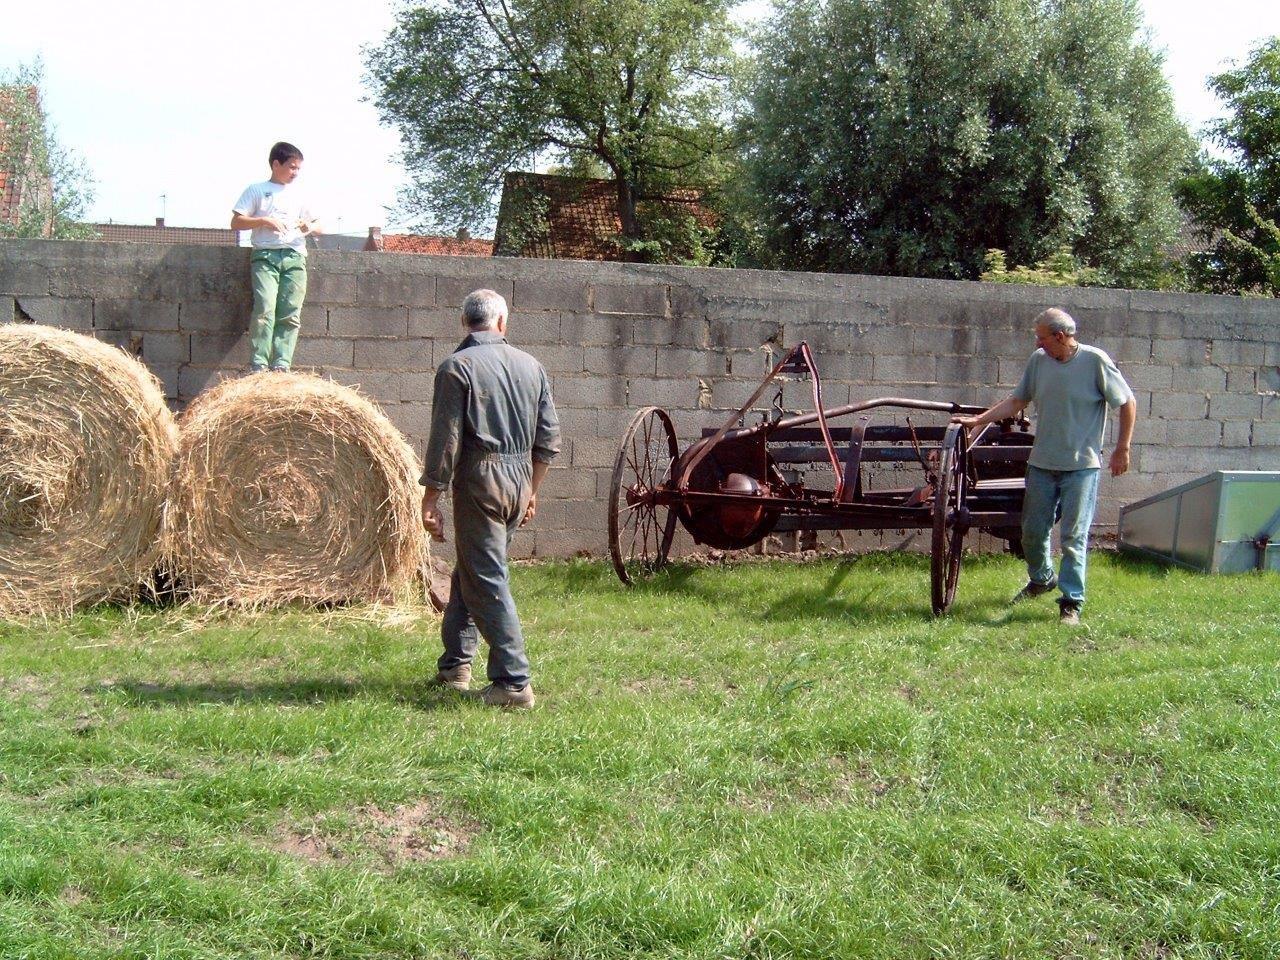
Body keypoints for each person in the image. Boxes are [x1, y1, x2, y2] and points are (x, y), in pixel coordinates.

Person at [421, 289, 560, 708]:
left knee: (486, 578)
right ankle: (455, 665)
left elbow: (445, 442)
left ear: (465, 323)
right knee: (475, 570)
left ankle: (513, 683)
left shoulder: (456, 368)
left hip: (481, 480)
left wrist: (431, 497)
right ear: (502, 323)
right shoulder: (532, 366)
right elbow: (549, 440)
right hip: (519, 480)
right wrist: (532, 491)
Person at [953, 308, 1136, 624]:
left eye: (1041, 337)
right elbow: (1017, 401)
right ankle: (1041, 579)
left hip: (1081, 467)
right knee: (1033, 532)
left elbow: (1127, 402)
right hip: (1041, 464)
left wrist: (1123, 448)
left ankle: (1071, 603)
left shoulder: (1095, 362)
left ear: (1060, 337)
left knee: (1073, 538)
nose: (1037, 343)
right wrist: (979, 420)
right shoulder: (1038, 362)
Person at [230, 142, 321, 373]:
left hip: (295, 255)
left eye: (298, 169)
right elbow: (236, 222)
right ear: (275, 164)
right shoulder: (257, 190)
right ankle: (259, 363)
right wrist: (263, 221)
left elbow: (320, 227)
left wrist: (307, 226)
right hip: (265, 255)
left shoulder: (302, 194)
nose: (295, 173)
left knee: (290, 310)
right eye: (292, 167)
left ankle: (282, 364)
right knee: (265, 306)